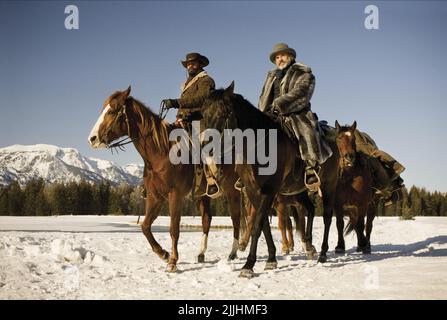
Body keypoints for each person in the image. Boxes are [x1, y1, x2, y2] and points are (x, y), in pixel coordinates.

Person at [258, 43, 332, 193]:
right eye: (277, 57)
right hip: (271, 114)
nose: (280, 59)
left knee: (306, 130)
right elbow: (263, 98)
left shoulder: (304, 74)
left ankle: (311, 167)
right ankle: (248, 171)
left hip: (296, 113)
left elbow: (302, 94)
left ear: (290, 56)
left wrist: (279, 104)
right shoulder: (271, 77)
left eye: (283, 55)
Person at [162, 52, 220, 197]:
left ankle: (212, 180)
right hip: (185, 122)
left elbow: (201, 99)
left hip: (201, 121)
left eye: (193, 63)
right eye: (188, 64)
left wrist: (177, 102)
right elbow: (184, 108)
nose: (190, 66)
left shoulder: (207, 80)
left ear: (200, 64)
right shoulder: (187, 85)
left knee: (205, 148)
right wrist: (178, 117)